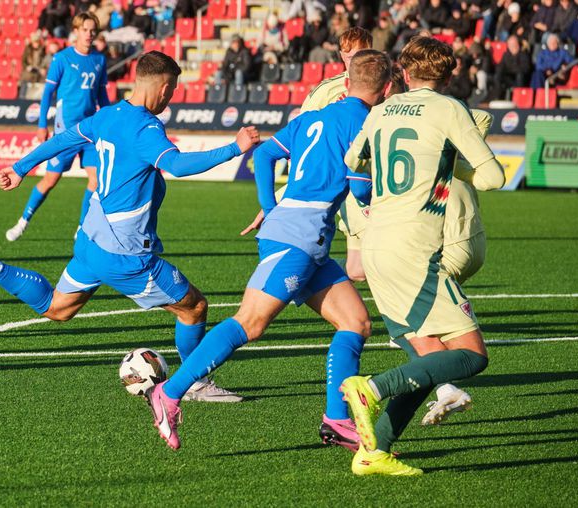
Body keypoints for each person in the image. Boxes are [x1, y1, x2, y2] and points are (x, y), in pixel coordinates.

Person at [0, 50, 260, 403]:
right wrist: (235, 148)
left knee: (58, 308)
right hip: (126, 252)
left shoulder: (107, 115)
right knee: (193, 307)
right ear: (164, 87)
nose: (173, 96)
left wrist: (20, 167)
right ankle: (193, 382)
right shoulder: (146, 127)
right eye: (174, 89)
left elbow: (63, 140)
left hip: (91, 241)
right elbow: (177, 165)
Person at [145, 49, 393, 452]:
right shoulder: (366, 124)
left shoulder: (313, 116)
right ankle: (168, 394)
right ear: (385, 90)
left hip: (305, 237)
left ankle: (336, 418)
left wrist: (269, 204)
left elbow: (264, 154)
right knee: (251, 322)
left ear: (346, 83)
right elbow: (361, 187)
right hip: (297, 236)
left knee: (356, 322)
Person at [340, 36, 505, 476]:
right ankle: (371, 388)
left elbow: (354, 162)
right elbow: (492, 177)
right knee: (472, 355)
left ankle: (376, 451)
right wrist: (456, 164)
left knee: (428, 361)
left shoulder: (379, 111)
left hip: (376, 242)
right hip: (414, 250)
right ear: (449, 76)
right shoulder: (450, 109)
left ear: (404, 74)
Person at [5, 13, 109, 242]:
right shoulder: (61, 58)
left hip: (90, 130)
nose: (90, 34)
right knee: (50, 180)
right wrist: (42, 124)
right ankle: (23, 222)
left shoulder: (100, 60)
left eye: (93, 30)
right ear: (76, 31)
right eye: (85, 29)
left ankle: (82, 228)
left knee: (96, 180)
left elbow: (101, 93)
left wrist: (109, 119)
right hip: (66, 131)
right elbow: (47, 94)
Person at [492, 34, 532, 99]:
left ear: (518, 44)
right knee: (498, 75)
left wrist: (511, 69)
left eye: (514, 44)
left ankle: (519, 97)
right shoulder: (506, 55)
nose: (512, 46)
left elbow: (525, 68)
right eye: (510, 44)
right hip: (509, 78)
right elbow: (501, 66)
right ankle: (498, 97)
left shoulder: (523, 54)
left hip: (521, 79)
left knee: (519, 75)